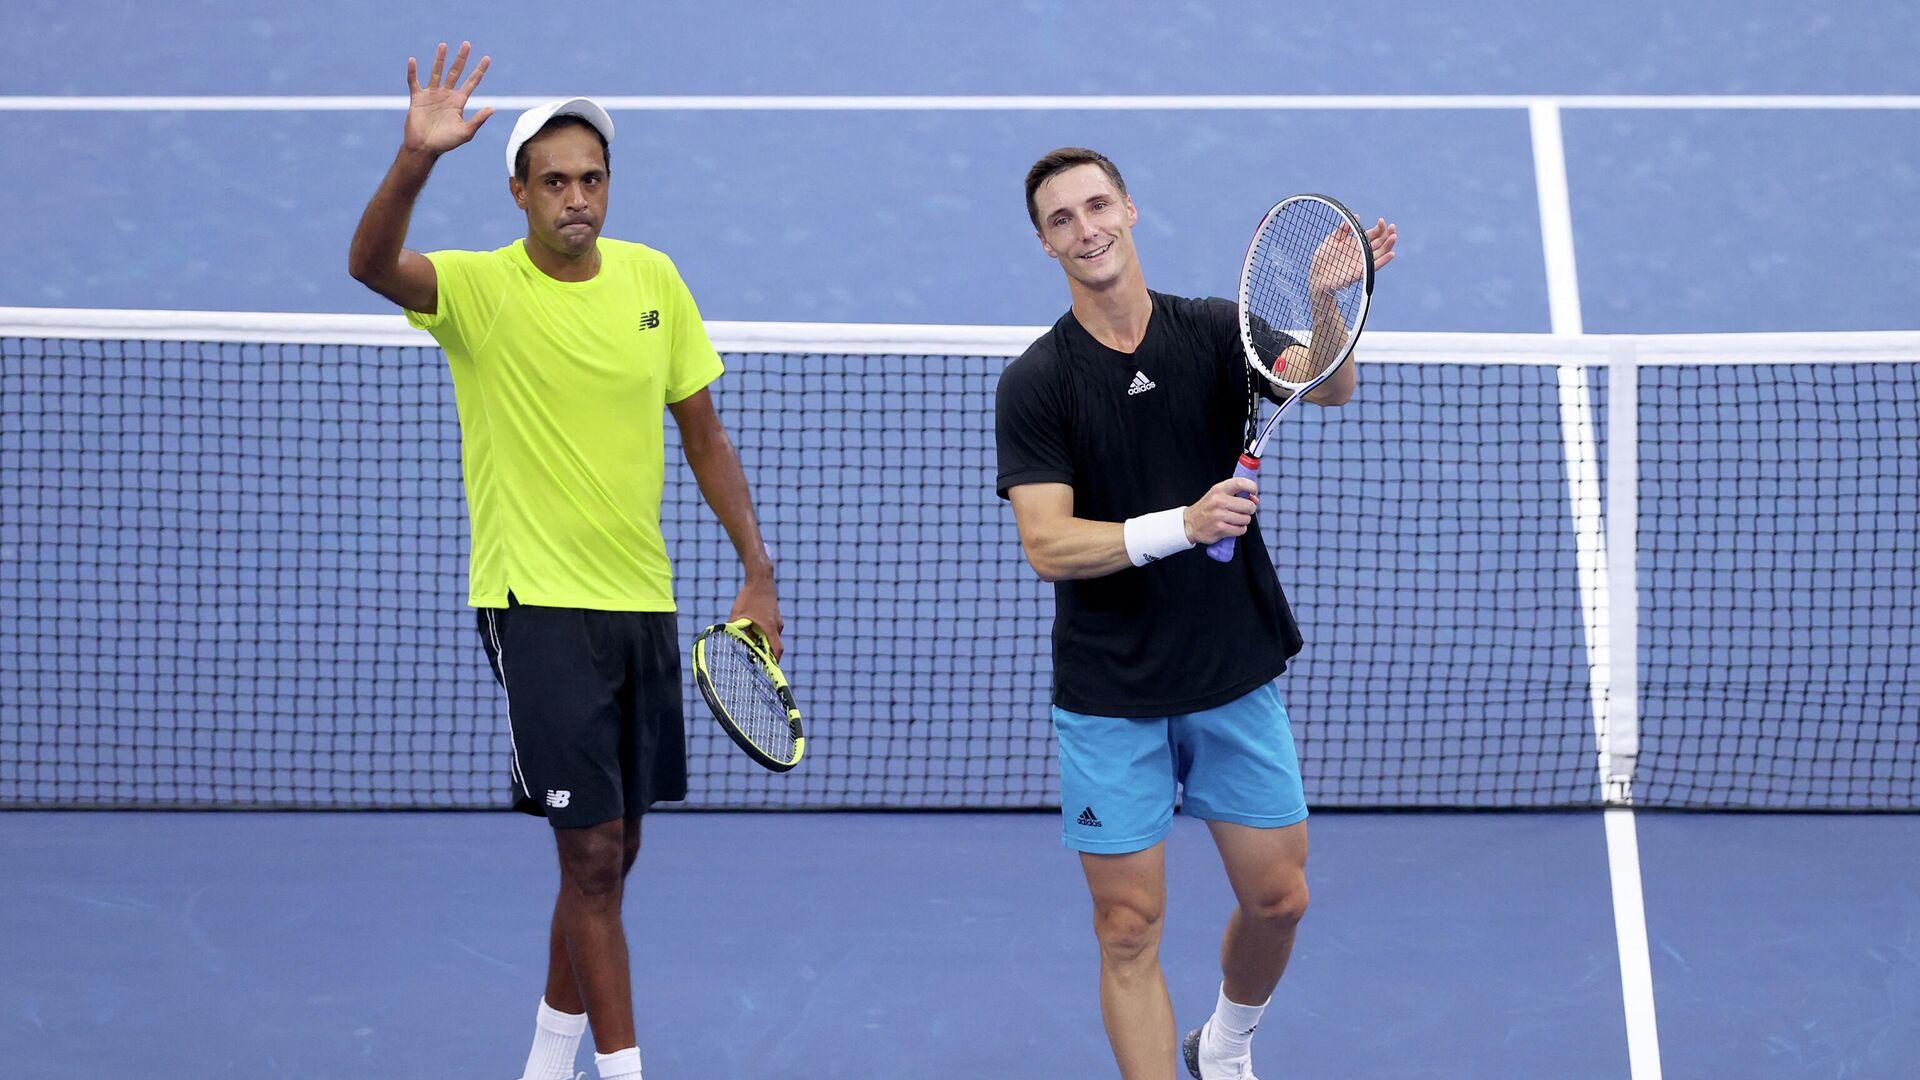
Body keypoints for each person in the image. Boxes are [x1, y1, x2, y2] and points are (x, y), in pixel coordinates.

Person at [347, 42, 783, 1080]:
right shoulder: (477, 293)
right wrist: (414, 160)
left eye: (591, 179)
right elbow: (369, 264)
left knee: (615, 851)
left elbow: (705, 436)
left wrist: (757, 571)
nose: (576, 197)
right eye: (554, 181)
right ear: (518, 193)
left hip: (643, 600)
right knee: (588, 855)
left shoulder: (653, 279)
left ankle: (545, 1061)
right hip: (532, 602)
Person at [995, 147, 1396, 1080]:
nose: (1086, 228)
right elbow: (1049, 544)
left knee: (1280, 898)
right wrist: (1183, 523)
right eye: (1063, 219)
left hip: (1228, 666)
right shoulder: (1039, 382)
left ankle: (1224, 1044)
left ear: (1130, 211)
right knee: (1128, 930)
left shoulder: (1217, 331)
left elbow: (1327, 382)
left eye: (1098, 205)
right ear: (1045, 242)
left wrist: (1325, 297)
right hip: (1111, 691)